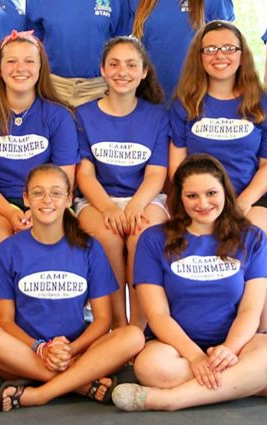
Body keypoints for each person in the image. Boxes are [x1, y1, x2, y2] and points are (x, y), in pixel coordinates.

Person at [110, 154, 267, 412]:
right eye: (192, 196)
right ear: (180, 198)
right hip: (176, 347)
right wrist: (195, 356)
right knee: (149, 367)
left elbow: (250, 311)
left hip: (237, 346)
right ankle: (255, 384)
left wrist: (229, 349)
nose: (203, 203)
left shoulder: (252, 238)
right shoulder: (153, 240)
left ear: (225, 192)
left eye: (211, 193)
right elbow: (158, 315)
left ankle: (170, 400)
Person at [0, 164, 145, 412]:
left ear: (69, 199)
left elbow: (103, 320)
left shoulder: (89, 248)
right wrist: (41, 348)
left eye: (56, 193)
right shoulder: (8, 250)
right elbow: (5, 321)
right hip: (26, 352)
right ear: (26, 199)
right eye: (38, 193)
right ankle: (80, 383)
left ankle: (41, 393)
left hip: (77, 350)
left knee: (133, 336)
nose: (47, 200)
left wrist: (70, 350)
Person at [169, 20, 267, 332]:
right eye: (211, 49)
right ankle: (202, 330)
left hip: (250, 200)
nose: (220, 55)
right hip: (196, 201)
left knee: (253, 234)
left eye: (229, 48)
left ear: (242, 55)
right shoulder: (185, 103)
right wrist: (198, 203)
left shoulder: (259, 103)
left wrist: (241, 204)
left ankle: (261, 332)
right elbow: (177, 166)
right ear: (200, 56)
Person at [0, 31, 79, 271]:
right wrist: (10, 212)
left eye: (29, 61)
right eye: (11, 61)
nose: (20, 68)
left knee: (52, 245)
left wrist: (39, 210)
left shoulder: (59, 116)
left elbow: (65, 178)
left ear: (40, 68)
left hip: (50, 201)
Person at [75, 36, 168, 328]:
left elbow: (156, 174)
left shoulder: (157, 115)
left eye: (131, 65)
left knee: (143, 236)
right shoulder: (83, 114)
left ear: (144, 71)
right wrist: (108, 208)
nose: (122, 72)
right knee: (108, 237)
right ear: (102, 70)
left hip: (145, 198)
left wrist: (135, 206)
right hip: (97, 199)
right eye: (114, 64)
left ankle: (139, 326)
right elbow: (85, 174)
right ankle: (117, 326)